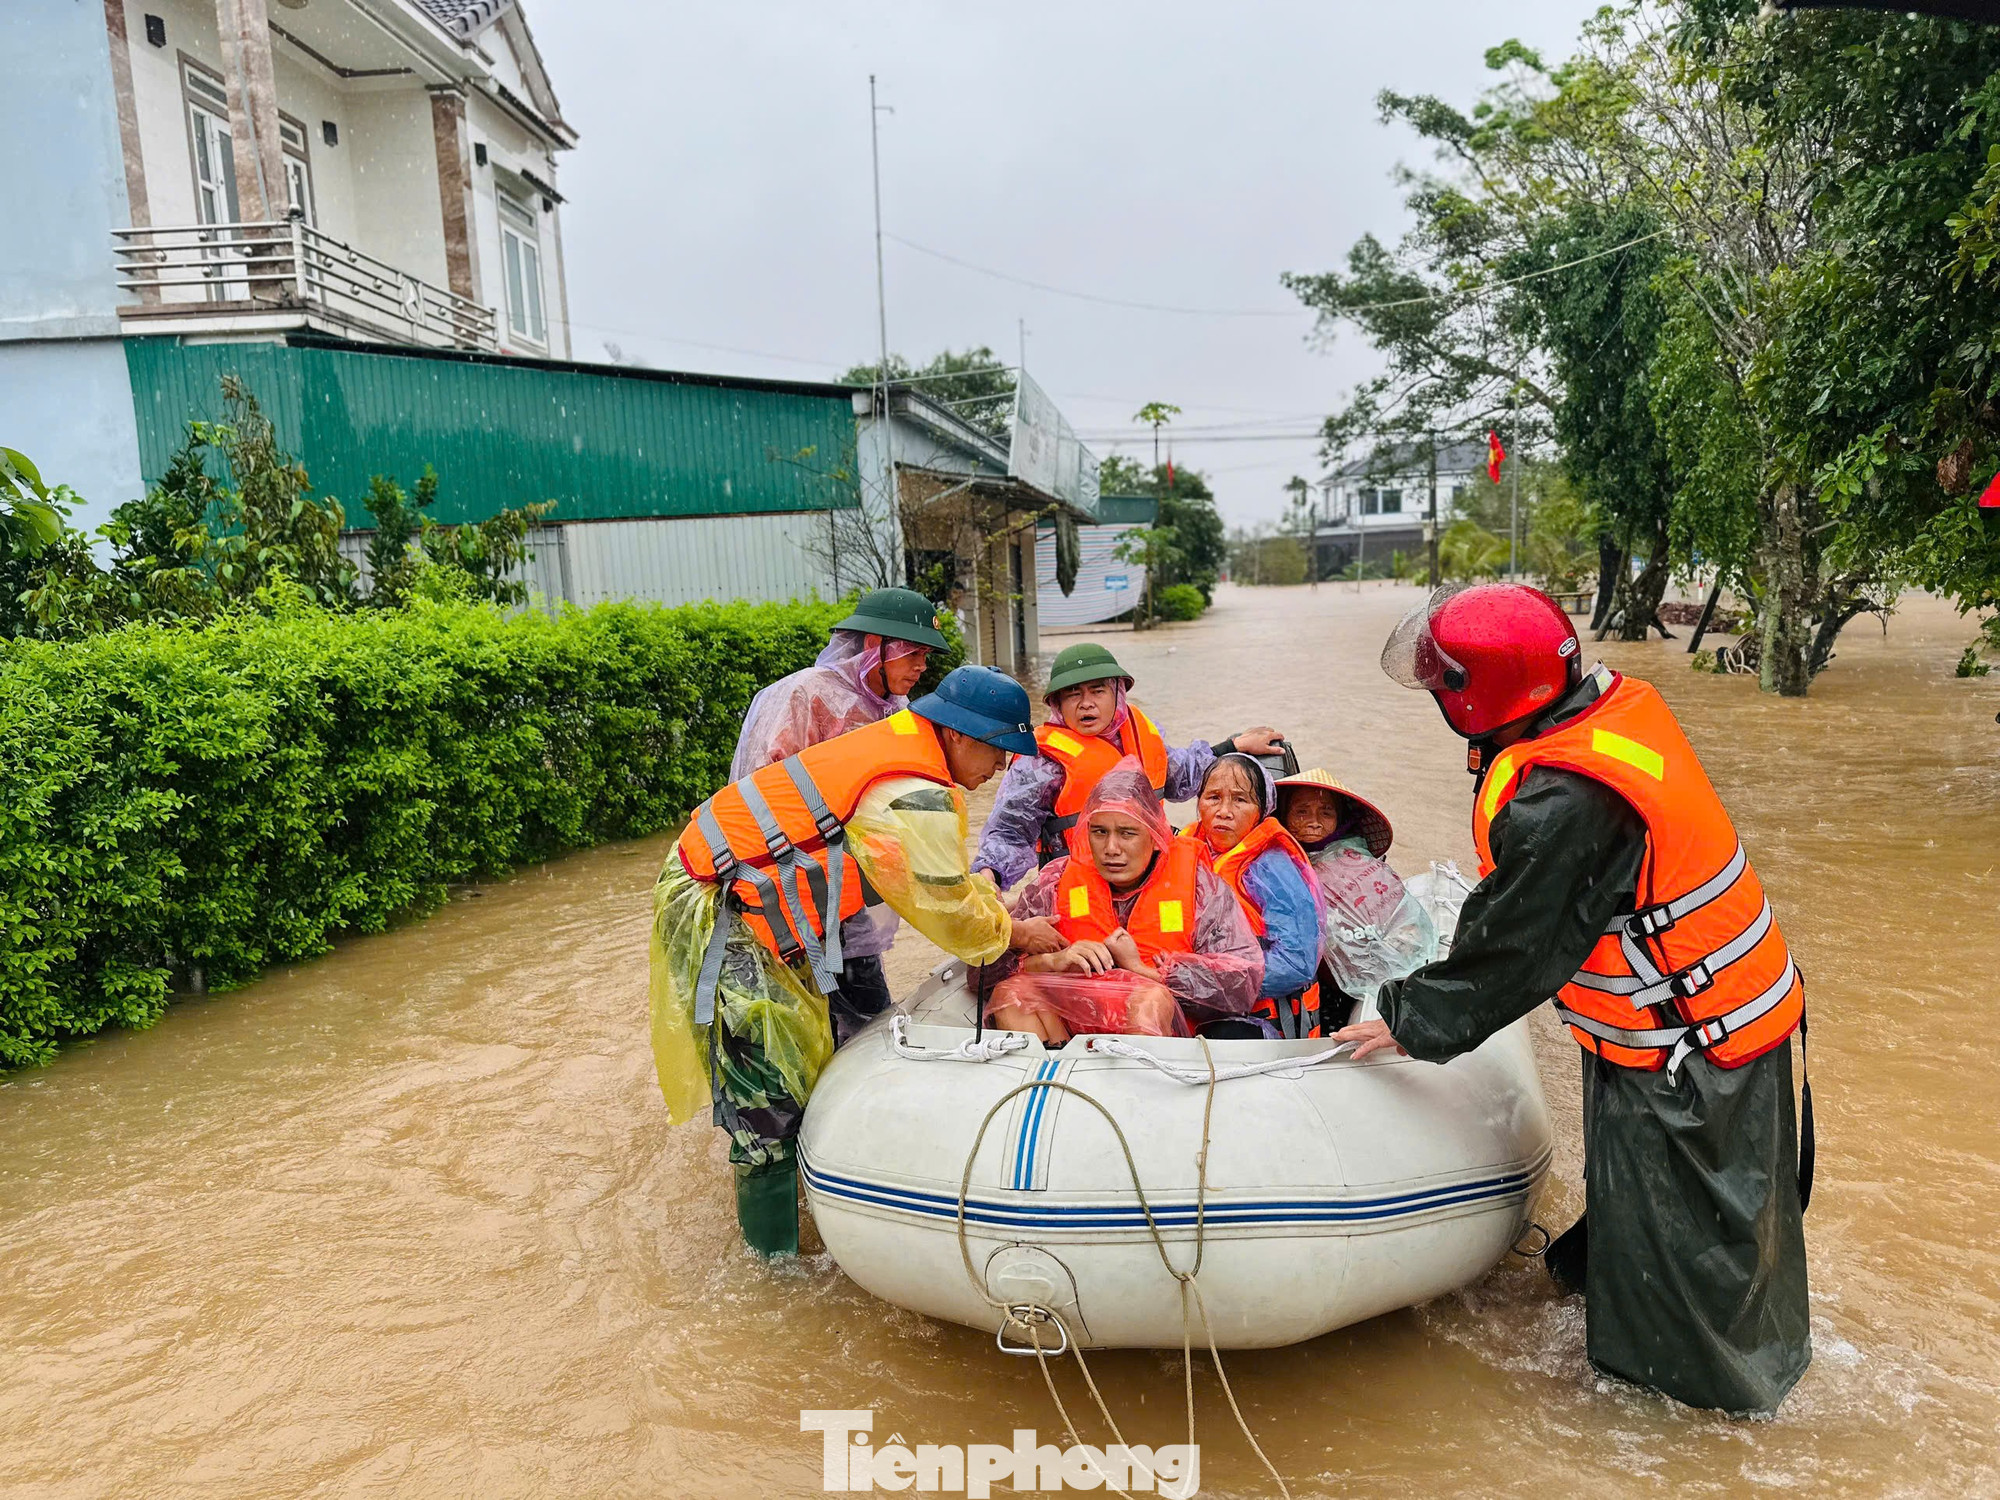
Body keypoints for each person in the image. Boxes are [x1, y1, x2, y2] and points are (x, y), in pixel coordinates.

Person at [1337, 583, 1811, 1415]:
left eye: (1448, 684)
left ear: (1483, 696)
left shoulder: (1563, 798)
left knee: (1686, 1307)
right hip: (1719, 1020)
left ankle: (1699, 1420)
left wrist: (1406, 1018)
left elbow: (1513, 951)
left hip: (1688, 1056)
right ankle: (1698, 1338)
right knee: (1703, 1238)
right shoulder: (1609, 714)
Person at [652, 666, 1065, 1255]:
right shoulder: (910, 793)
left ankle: (796, 1212)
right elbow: (944, 906)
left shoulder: (909, 754)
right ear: (960, 736)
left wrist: (994, 911)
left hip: (749, 902)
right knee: (767, 1096)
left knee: (806, 1058)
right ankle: (775, 1271)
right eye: (999, 753)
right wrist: (1013, 933)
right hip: (721, 911)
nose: (999, 770)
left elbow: (950, 878)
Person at [729, 586, 950, 1045]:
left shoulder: (895, 712)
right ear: (875, 645)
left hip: (847, 899)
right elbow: (756, 795)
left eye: (926, 656)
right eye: (913, 653)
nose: (921, 666)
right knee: (794, 1033)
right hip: (785, 897)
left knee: (869, 1029)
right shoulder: (804, 694)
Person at [984, 757, 1263, 1045]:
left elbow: (1240, 986)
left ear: (1156, 837)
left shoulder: (1201, 887)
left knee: (1150, 999)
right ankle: (1052, 1083)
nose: (1111, 849)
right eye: (1100, 832)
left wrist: (1145, 972)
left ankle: (1133, 1083)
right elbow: (980, 972)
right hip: (1066, 1037)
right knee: (1010, 993)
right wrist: (1055, 961)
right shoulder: (1055, 880)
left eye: (1127, 833)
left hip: (1163, 1039)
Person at [971, 641, 1287, 890]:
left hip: (1152, 877)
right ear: (1057, 704)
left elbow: (1181, 777)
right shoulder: (1040, 760)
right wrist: (991, 874)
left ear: (1118, 694)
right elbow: (1010, 831)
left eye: (1097, 691)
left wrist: (1231, 746)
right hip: (1080, 885)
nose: (1086, 703)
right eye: (1073, 695)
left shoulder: (1139, 732)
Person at [1275, 768, 1436, 1028]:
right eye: (1301, 812)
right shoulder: (1277, 863)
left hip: (1367, 958)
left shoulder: (1357, 860)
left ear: (1340, 819)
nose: (1314, 821)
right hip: (1318, 976)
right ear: (1284, 816)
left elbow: (1392, 908)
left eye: (1326, 812)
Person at [1191, 754, 1325, 1039]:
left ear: (1262, 811)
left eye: (1240, 800)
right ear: (1198, 803)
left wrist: (1212, 986)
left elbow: (1296, 962)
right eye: (1213, 797)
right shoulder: (1182, 850)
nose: (1224, 811)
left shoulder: (1272, 868)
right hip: (1192, 995)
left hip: (1256, 1019)